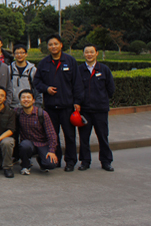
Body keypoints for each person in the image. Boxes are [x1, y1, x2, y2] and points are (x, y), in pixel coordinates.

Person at [33, 34, 84, 172]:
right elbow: (36, 82)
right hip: (50, 107)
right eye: (50, 44)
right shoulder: (44, 63)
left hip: (67, 106)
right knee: (52, 135)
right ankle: (56, 160)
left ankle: (71, 161)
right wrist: (46, 89)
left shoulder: (70, 61)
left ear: (61, 45)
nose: (53, 47)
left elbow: (77, 83)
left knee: (70, 135)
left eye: (55, 44)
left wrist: (77, 101)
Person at [78, 44, 115, 172]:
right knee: (84, 138)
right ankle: (85, 161)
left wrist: (101, 100)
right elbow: (76, 89)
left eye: (91, 52)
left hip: (100, 110)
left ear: (96, 53)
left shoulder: (104, 69)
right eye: (86, 52)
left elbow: (111, 89)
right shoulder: (79, 70)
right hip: (85, 111)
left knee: (103, 136)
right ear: (83, 54)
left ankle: (106, 161)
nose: (89, 54)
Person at [15, 90, 58, 175]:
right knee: (24, 145)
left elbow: (51, 133)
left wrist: (52, 150)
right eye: (23, 98)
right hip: (28, 144)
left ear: (33, 100)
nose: (26, 100)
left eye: (28, 97)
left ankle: (41, 161)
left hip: (42, 144)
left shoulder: (42, 114)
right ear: (20, 100)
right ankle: (25, 165)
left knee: (50, 164)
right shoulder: (17, 112)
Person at [9, 44, 39, 109]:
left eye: (22, 53)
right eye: (17, 53)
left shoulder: (32, 70)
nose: (19, 55)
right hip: (12, 106)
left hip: (28, 105)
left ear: (26, 54)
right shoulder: (9, 69)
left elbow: (37, 88)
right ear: (14, 55)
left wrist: (37, 104)